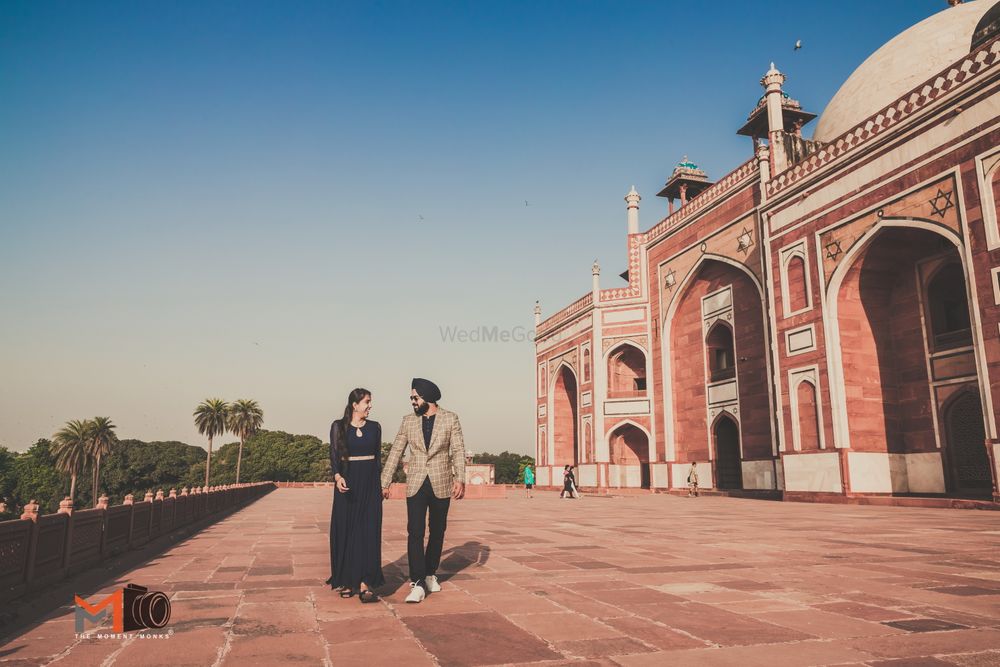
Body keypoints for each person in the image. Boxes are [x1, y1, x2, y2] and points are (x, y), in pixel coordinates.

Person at [381, 378, 466, 604]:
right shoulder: (408, 421)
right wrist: (384, 481)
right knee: (415, 532)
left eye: (415, 398)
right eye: (411, 398)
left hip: (441, 481)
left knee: (437, 531)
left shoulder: (450, 419)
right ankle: (417, 581)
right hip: (416, 482)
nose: (412, 402)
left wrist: (461, 478)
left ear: (427, 397)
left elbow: (458, 450)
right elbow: (396, 451)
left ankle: (430, 573)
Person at [326, 388, 384, 603]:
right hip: (347, 483)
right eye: (367, 402)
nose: (370, 406)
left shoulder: (375, 427)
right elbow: (334, 455)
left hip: (369, 484)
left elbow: (377, 459)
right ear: (355, 404)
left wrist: (380, 485)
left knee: (368, 531)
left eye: (370, 402)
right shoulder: (338, 426)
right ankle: (347, 580)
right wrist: (337, 476)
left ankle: (365, 582)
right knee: (348, 530)